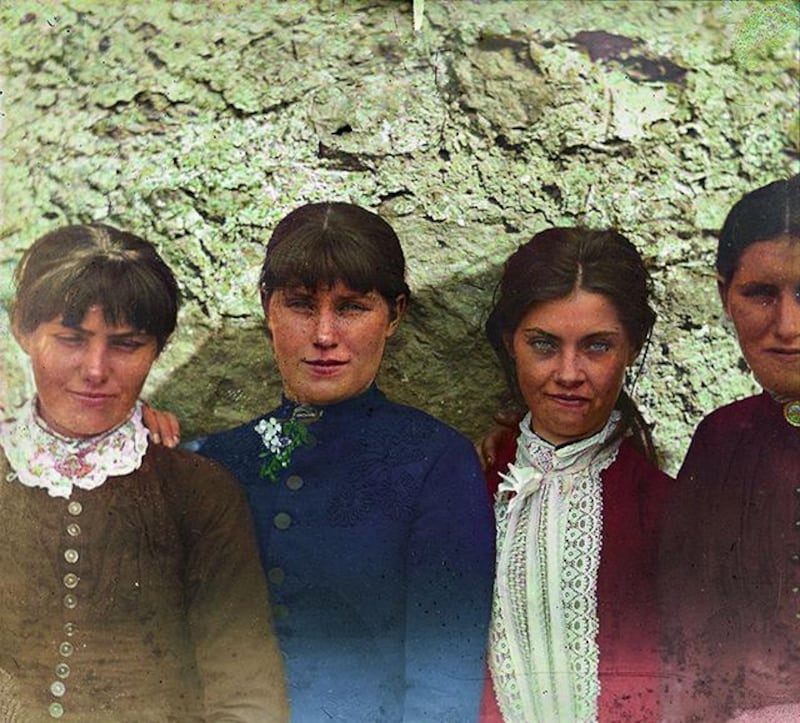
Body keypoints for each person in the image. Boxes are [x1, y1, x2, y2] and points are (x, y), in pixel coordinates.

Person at [189, 202, 496, 721]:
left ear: (394, 314)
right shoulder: (219, 461)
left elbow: (443, 685)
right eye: (302, 305)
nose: (325, 335)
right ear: (267, 306)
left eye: (352, 307)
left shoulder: (435, 462)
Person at [0, 224, 289, 722]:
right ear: (22, 332)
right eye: (70, 339)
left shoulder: (200, 492)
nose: (95, 369)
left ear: (159, 347)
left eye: (126, 344)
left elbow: (247, 698)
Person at [480, 227, 672, 722]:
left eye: (597, 347)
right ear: (510, 343)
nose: (568, 373)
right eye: (543, 344)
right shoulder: (464, 489)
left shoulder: (668, 511)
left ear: (632, 346)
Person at [660, 174, 800, 721]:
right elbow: (685, 645)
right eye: (760, 293)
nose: (787, 326)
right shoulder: (722, 441)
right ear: (724, 295)